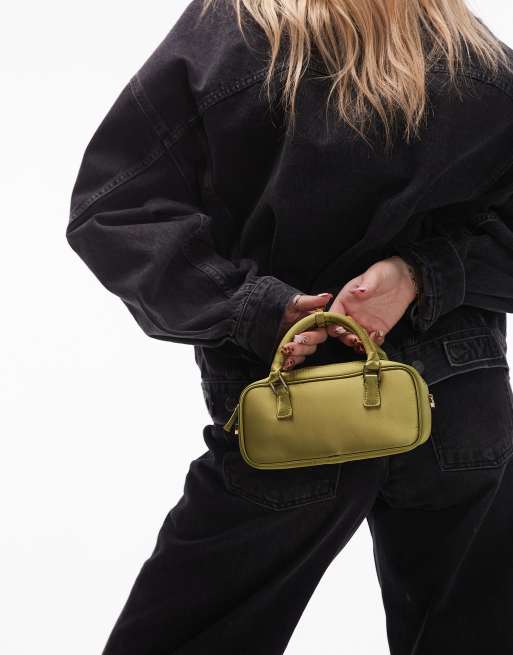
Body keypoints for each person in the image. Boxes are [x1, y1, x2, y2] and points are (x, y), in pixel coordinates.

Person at [66, 0, 513, 653]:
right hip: (457, 398)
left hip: (294, 396)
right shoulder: (465, 45)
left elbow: (116, 210)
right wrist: (421, 274)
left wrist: (257, 308)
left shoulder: (233, 32)